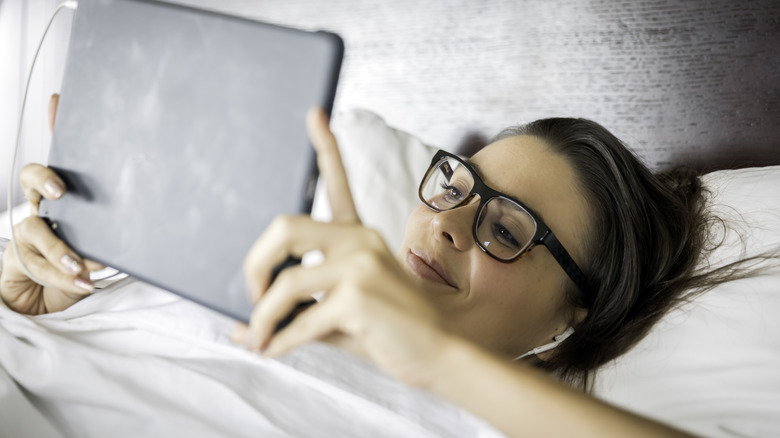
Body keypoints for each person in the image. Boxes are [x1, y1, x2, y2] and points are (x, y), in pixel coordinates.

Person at [1, 94, 716, 437]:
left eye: (504, 228)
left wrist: (432, 359)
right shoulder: (248, 272)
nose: (445, 224)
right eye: (454, 184)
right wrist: (31, 290)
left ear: (567, 321)